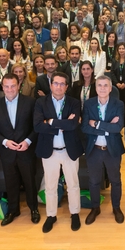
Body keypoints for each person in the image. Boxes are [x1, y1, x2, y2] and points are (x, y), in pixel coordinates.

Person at [33, 72, 84, 233]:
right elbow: (38, 126)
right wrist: (63, 124)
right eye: (56, 83)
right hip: (50, 151)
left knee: (73, 185)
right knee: (50, 186)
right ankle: (51, 215)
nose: (59, 87)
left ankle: (74, 213)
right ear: (51, 85)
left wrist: (50, 121)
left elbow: (73, 125)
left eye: (62, 84)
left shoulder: (74, 102)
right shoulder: (40, 102)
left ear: (67, 87)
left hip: (69, 150)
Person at [0, 73, 39, 227]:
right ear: (2, 87)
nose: (10, 89)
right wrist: (5, 142)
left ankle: (34, 209)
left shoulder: (30, 102)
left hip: (26, 150)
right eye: (6, 86)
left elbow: (37, 126)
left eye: (13, 86)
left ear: (19, 86)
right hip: (7, 151)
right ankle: (13, 210)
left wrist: (28, 141)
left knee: (30, 182)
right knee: (11, 182)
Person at [81, 75, 125, 225]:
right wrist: (107, 128)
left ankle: (116, 208)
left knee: (115, 180)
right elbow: (85, 127)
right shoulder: (89, 104)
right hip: (94, 149)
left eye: (105, 85)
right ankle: (95, 208)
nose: (102, 88)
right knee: (94, 181)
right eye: (99, 85)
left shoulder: (118, 104)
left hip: (112, 149)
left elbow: (118, 127)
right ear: (95, 88)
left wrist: (97, 124)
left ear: (111, 88)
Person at [109, 43, 125, 116]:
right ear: (117, 50)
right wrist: (117, 83)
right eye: (120, 49)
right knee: (116, 103)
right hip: (116, 85)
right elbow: (112, 72)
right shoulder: (114, 60)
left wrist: (124, 83)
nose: (121, 50)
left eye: (123, 49)